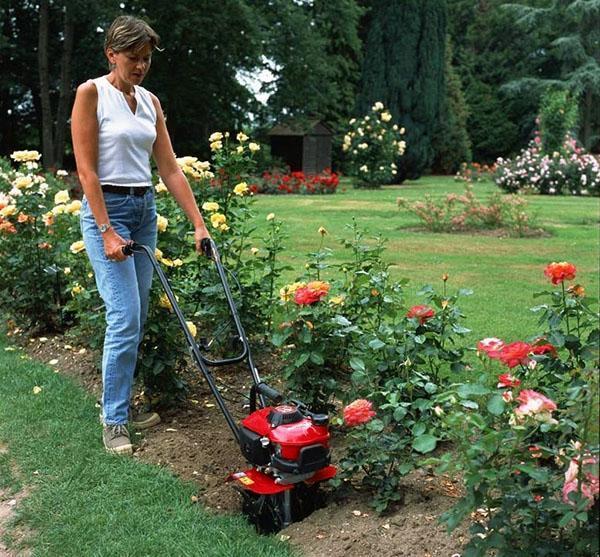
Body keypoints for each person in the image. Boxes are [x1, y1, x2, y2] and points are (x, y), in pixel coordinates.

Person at [71, 15, 210, 455]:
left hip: (144, 209)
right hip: (106, 210)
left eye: (147, 58)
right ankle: (114, 420)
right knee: (125, 317)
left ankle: (120, 406)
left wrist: (198, 222)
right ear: (112, 54)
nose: (141, 66)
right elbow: (87, 170)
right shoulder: (91, 93)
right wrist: (106, 230)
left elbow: (168, 167)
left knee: (137, 315)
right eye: (133, 58)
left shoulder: (149, 101)